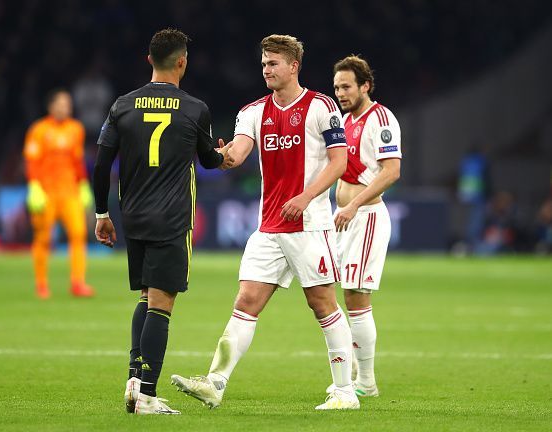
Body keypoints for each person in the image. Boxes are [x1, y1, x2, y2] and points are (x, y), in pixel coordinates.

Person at [171, 34, 359, 411]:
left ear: (294, 66)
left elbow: (340, 162)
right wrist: (218, 154)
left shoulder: (322, 107)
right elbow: (237, 154)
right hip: (269, 227)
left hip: (311, 225)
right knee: (246, 301)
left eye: (273, 63)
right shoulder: (253, 112)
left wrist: (306, 197)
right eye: (263, 64)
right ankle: (215, 383)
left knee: (321, 303)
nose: (266, 70)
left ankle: (345, 392)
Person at [92, 28, 233, 415]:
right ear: (182, 62)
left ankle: (134, 382)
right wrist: (223, 154)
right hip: (171, 218)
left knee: (145, 297)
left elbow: (102, 164)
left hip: (133, 216)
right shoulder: (194, 109)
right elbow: (208, 161)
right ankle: (147, 396)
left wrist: (103, 213)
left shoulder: (122, 105)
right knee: (162, 303)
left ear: (148, 59)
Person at [330, 55, 402, 398]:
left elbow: (391, 171)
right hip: (344, 218)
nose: (341, 92)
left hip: (367, 216)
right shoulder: (343, 121)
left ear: (365, 86)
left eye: (346, 86)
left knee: (356, 297)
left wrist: (354, 204)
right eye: (336, 87)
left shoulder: (381, 118)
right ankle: (358, 375)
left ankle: (366, 382)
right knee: (345, 295)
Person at [23, 89, 95, 299]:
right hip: (46, 193)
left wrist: (83, 186)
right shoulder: (38, 130)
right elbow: (32, 161)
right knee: (43, 239)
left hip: (70, 192)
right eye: (61, 104)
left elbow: (77, 161)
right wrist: (34, 187)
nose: (66, 107)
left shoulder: (76, 129)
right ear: (51, 106)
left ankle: (78, 283)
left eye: (68, 104)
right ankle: (42, 284)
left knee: (78, 235)